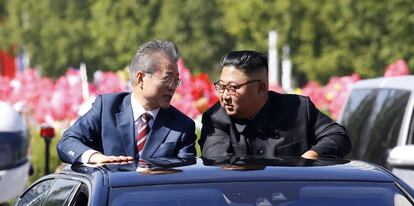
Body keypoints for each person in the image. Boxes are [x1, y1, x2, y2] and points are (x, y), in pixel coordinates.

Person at [57, 40, 196, 164]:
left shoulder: (182, 126)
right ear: (141, 78)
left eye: (176, 80)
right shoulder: (106, 109)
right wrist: (95, 157)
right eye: (167, 78)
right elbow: (67, 141)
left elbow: (185, 177)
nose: (173, 87)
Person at [199, 50, 351, 160]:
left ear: (261, 88)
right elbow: (219, 166)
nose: (224, 96)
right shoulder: (215, 120)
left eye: (232, 88)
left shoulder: (298, 109)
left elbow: (338, 136)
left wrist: (310, 157)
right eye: (222, 87)